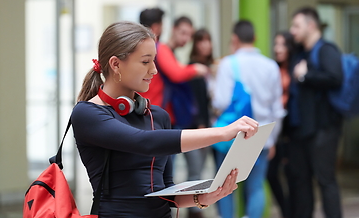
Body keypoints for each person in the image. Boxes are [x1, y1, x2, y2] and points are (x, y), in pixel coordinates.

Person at [71, 21, 259, 218]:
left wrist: (204, 197)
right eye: (145, 62)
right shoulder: (87, 114)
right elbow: (143, 142)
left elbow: (167, 191)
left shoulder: (158, 116)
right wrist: (222, 132)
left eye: (154, 61)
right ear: (116, 64)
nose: (154, 70)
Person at [212, 20, 284, 218]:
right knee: (257, 187)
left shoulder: (228, 63)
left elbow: (221, 101)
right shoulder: (271, 67)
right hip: (261, 137)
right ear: (255, 38)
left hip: (232, 138)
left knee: (223, 188)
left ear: (234, 39)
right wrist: (272, 139)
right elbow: (277, 109)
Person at [288, 7, 343, 218]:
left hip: (324, 128)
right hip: (304, 130)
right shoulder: (302, 53)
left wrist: (305, 76)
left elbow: (335, 77)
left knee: (325, 180)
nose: (293, 31)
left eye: (297, 26)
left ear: (311, 26)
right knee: (303, 182)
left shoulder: (327, 50)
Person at [139, 14, 208, 126]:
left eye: (190, 35)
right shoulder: (161, 48)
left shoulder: (162, 50)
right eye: (183, 33)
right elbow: (176, 74)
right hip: (155, 111)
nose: (186, 39)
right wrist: (196, 69)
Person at [182, 28, 215, 218]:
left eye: (208, 40)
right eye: (201, 41)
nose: (205, 45)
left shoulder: (209, 67)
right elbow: (196, 101)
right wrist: (202, 125)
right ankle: (194, 213)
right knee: (195, 173)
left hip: (206, 125)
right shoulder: (193, 68)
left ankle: (195, 210)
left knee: (200, 172)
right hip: (195, 127)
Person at [266, 31, 296, 218]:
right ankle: (286, 212)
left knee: (294, 177)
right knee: (271, 174)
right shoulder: (273, 69)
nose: (278, 49)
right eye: (276, 44)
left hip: (293, 132)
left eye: (282, 45)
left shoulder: (296, 69)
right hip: (277, 131)